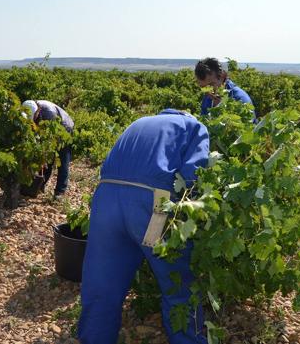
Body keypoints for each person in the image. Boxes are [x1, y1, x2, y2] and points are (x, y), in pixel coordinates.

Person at [78, 108, 210, 344]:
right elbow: (193, 177)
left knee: (102, 280)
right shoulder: (194, 127)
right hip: (154, 202)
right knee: (177, 282)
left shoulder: (139, 121)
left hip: (106, 198)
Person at [22, 99, 74, 198]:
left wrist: (44, 155)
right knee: (47, 161)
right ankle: (40, 186)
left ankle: (60, 192)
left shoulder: (49, 114)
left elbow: (49, 139)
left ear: (37, 111)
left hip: (65, 128)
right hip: (52, 131)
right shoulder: (29, 107)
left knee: (62, 161)